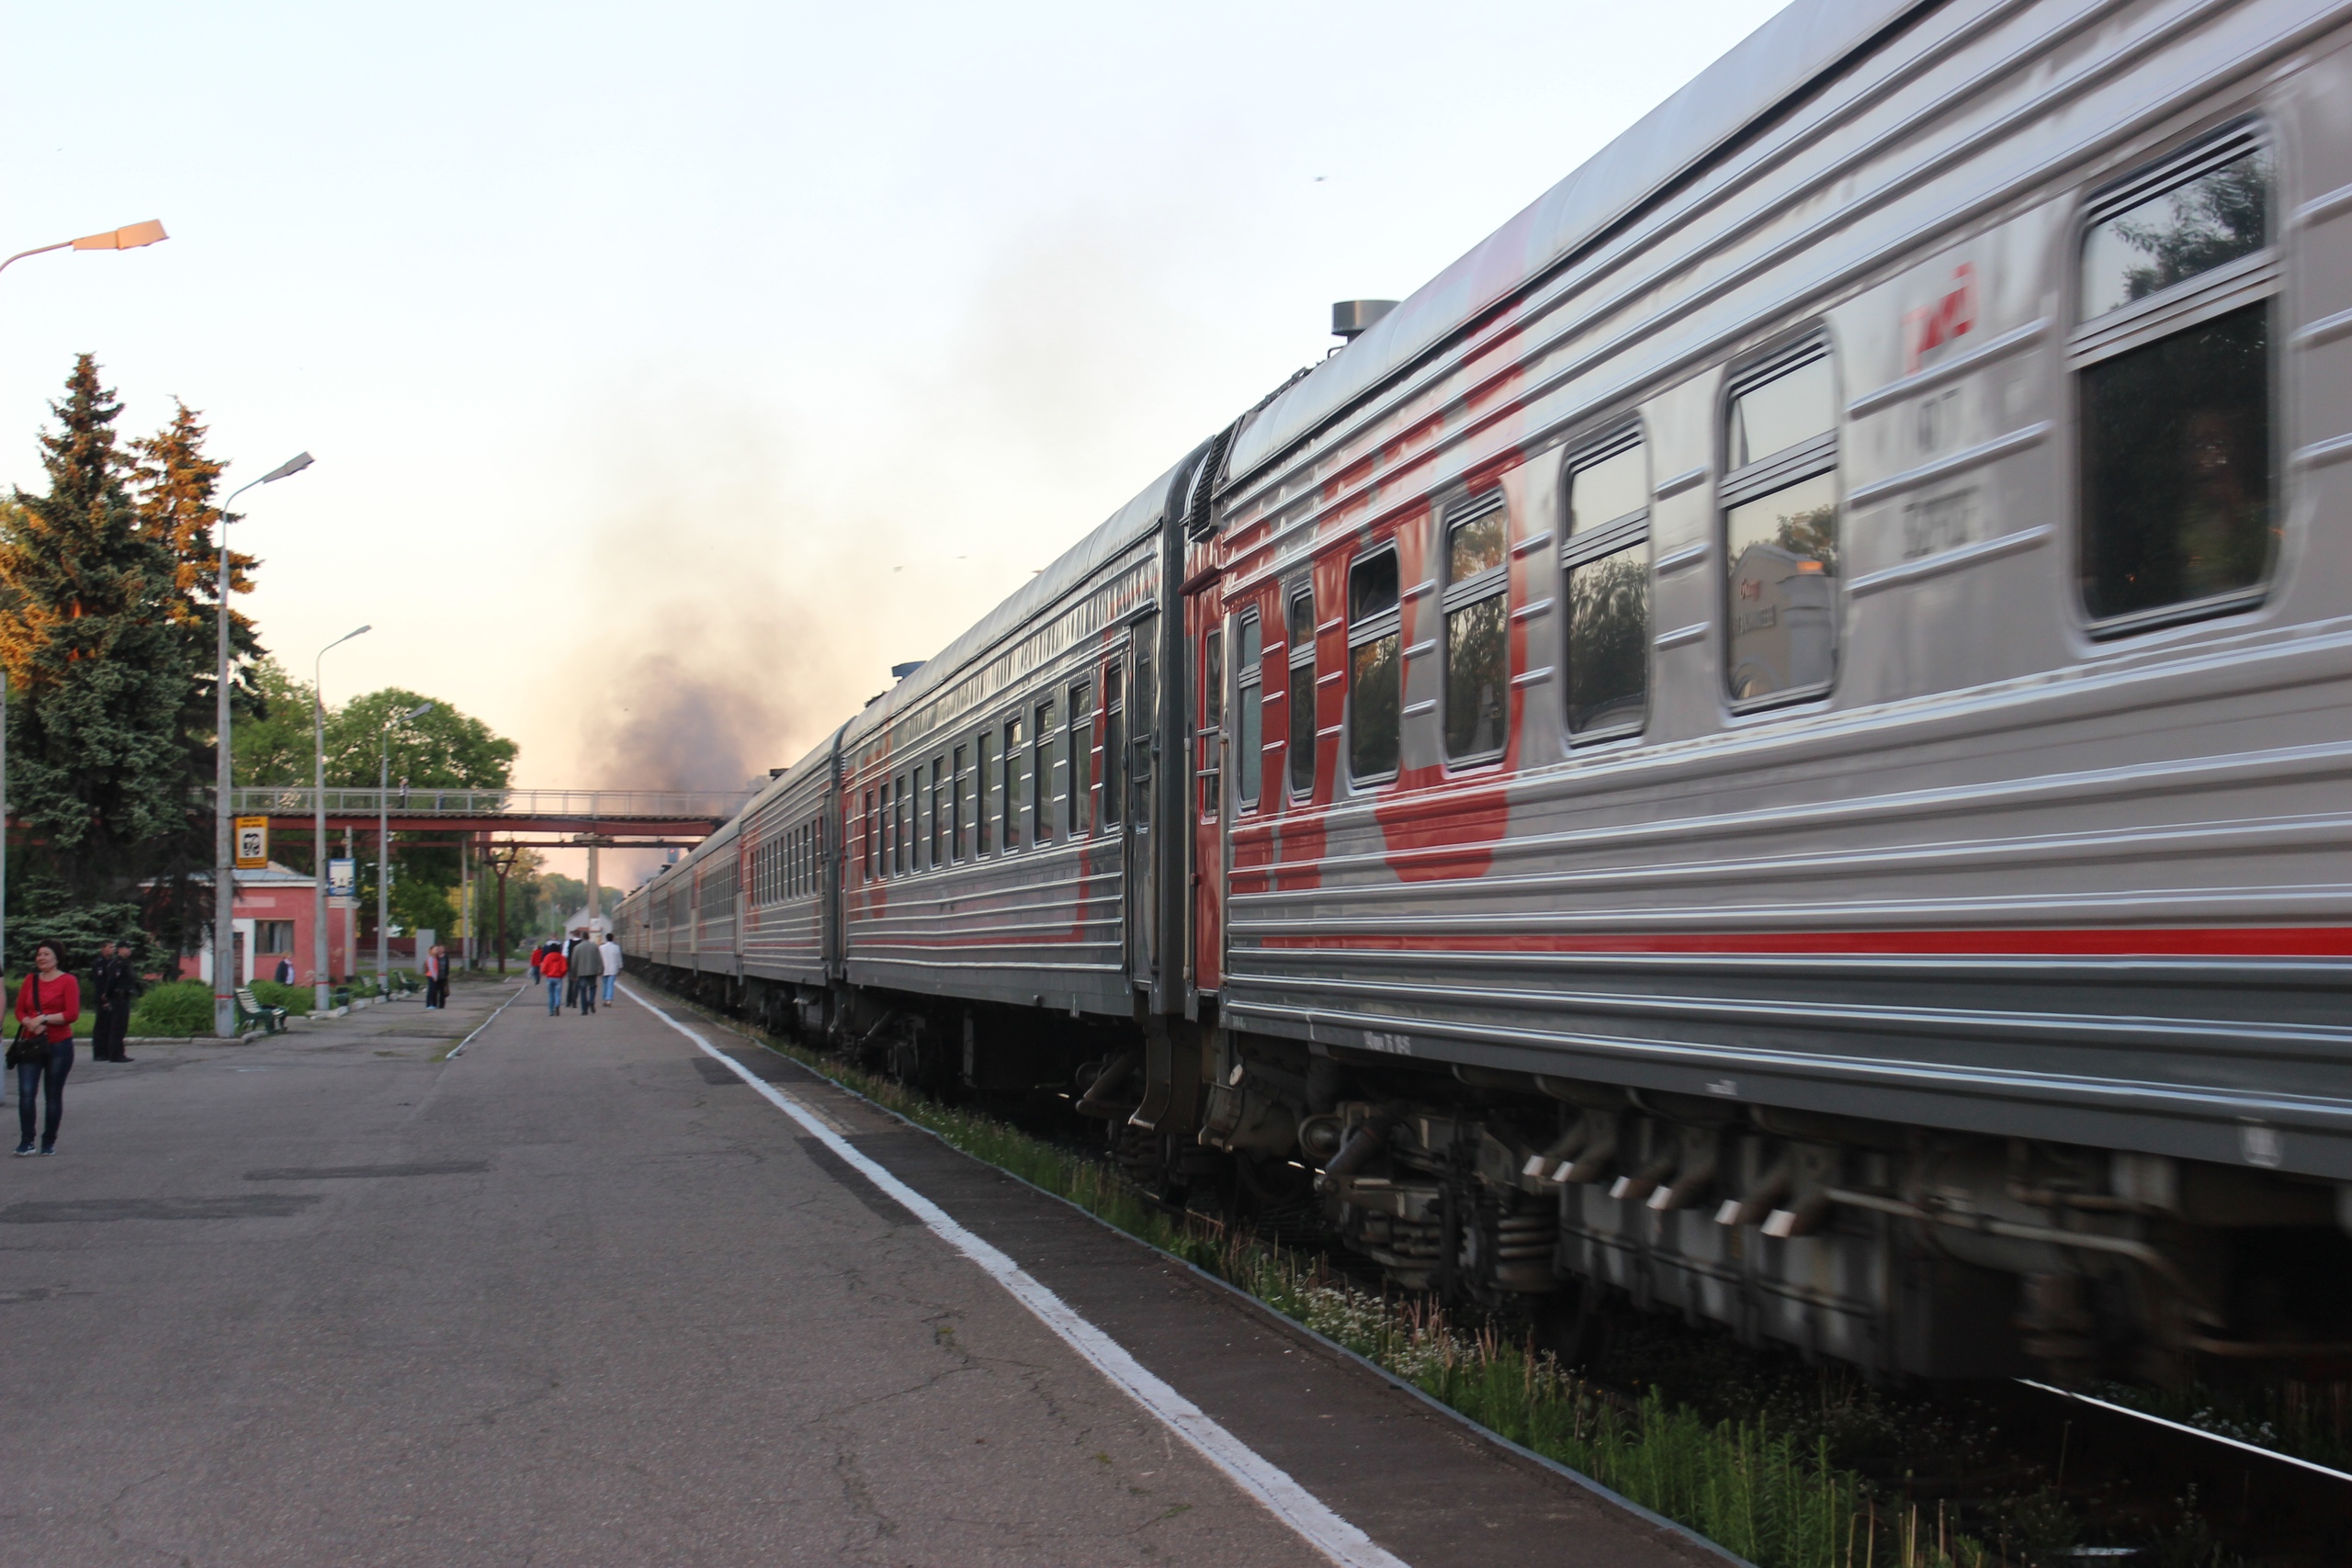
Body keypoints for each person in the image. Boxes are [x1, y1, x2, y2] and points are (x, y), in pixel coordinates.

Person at [15, 941, 80, 1156]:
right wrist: (30, 1023)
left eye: (46, 954)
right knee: (26, 1093)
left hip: (59, 1045)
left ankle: (48, 1141)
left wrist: (44, 1018)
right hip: (30, 1044)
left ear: (56, 957)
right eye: (39, 954)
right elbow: (19, 1010)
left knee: (52, 1095)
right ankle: (27, 1141)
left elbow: (71, 1014)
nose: (41, 958)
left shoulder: (68, 981)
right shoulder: (30, 980)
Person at [90, 940, 135, 1064]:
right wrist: (105, 998)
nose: (112, 949)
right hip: (105, 998)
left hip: (114, 997)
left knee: (111, 1026)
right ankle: (100, 1052)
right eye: (109, 947)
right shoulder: (100, 963)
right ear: (102, 949)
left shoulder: (113, 962)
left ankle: (109, 1052)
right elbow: (102, 983)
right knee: (102, 1026)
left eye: (113, 947)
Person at [570, 929, 601, 1015]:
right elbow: (599, 959)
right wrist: (600, 969)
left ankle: (584, 1010)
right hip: (592, 971)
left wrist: (573, 973)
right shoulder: (594, 946)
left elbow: (574, 962)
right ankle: (591, 1001)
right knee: (593, 987)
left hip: (581, 972)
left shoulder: (577, 948)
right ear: (589, 937)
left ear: (581, 938)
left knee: (583, 991)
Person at [538, 941, 567, 1016]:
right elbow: (564, 969)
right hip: (558, 978)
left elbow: (543, 969)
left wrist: (547, 974)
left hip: (550, 978)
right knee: (558, 994)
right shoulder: (562, 958)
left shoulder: (547, 957)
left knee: (551, 995)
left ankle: (551, 1011)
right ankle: (557, 1005)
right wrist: (561, 975)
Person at [597, 932, 622, 1008]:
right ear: (613, 938)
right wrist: (620, 967)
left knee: (604, 985)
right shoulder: (616, 947)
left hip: (604, 969)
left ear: (606, 938)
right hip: (613, 969)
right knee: (610, 984)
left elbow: (599, 959)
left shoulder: (601, 947)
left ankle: (604, 999)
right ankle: (609, 1000)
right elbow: (619, 958)